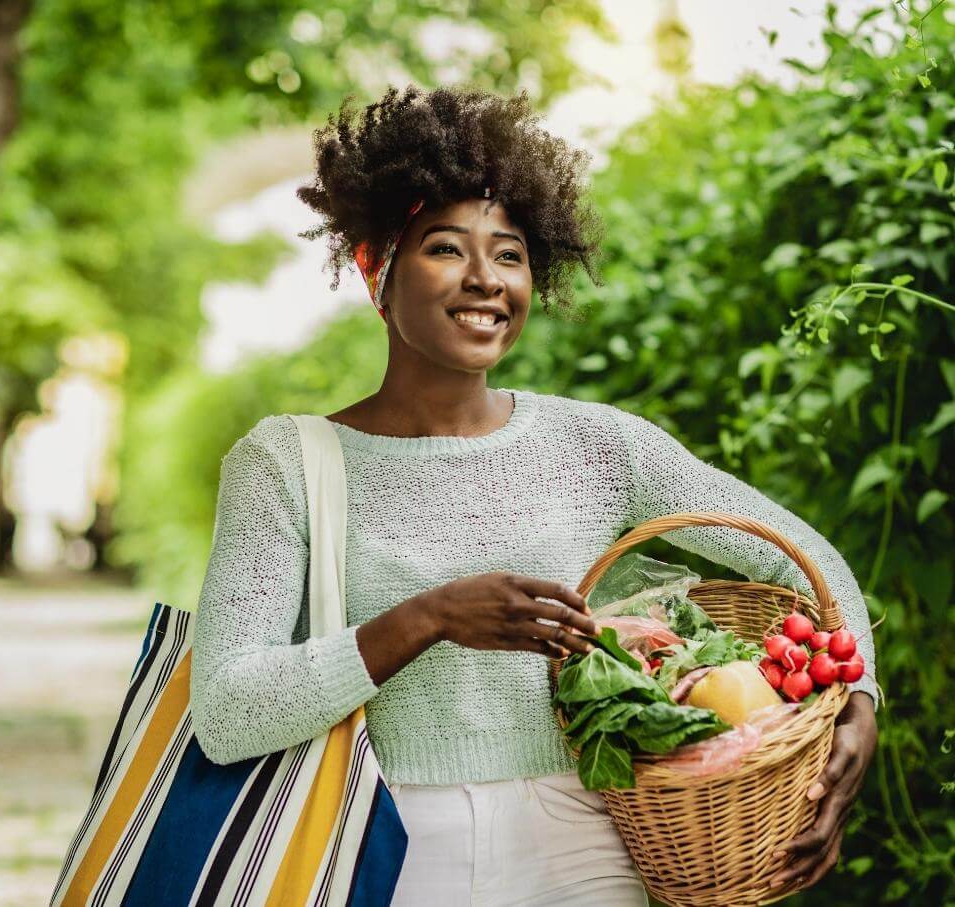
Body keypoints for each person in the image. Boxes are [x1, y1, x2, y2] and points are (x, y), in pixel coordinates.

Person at [189, 84, 878, 905]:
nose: (485, 279)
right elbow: (228, 711)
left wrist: (860, 696)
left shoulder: (598, 445)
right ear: (375, 263)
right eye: (445, 247)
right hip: (382, 846)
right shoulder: (286, 463)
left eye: (509, 253)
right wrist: (428, 618)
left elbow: (806, 558)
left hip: (580, 847)